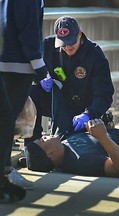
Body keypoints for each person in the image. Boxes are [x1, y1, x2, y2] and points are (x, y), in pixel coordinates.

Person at [24, 16, 114, 146]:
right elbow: (29, 63)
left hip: (81, 110)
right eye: (63, 44)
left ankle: (102, 122)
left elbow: (104, 95)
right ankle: (32, 145)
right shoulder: (48, 46)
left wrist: (89, 114)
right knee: (32, 93)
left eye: (71, 42)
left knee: (67, 144)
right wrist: (40, 76)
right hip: (56, 102)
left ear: (80, 34)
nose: (67, 47)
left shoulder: (95, 55)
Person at [0, 0, 48, 202]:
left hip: (7, 61)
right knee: (5, 121)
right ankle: (3, 174)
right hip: (17, 65)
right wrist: (40, 66)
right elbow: (27, 29)